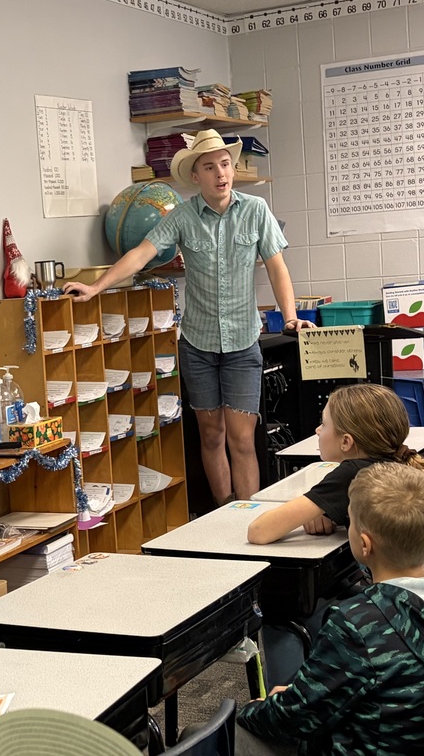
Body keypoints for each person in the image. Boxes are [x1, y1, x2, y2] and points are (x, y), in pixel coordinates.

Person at [62, 129, 312, 504]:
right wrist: (97, 287)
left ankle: (250, 517)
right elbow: (142, 254)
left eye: (225, 164)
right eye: (210, 167)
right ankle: (224, 513)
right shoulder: (182, 216)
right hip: (198, 345)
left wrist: (290, 317)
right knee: (210, 435)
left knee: (242, 438)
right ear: (196, 177)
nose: (220, 173)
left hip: (243, 343)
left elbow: (278, 268)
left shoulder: (256, 210)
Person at [236, 462, 424, 756]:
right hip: (420, 741)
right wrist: (301, 696)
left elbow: (293, 719)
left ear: (364, 545)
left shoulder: (358, 623)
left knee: (216, 733)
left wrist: (257, 709)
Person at [247, 383, 424, 582]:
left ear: (346, 442)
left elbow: (259, 531)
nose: (317, 431)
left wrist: (316, 509)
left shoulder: (353, 472)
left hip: (417, 602)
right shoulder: (396, 461)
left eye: (323, 424)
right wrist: (327, 511)